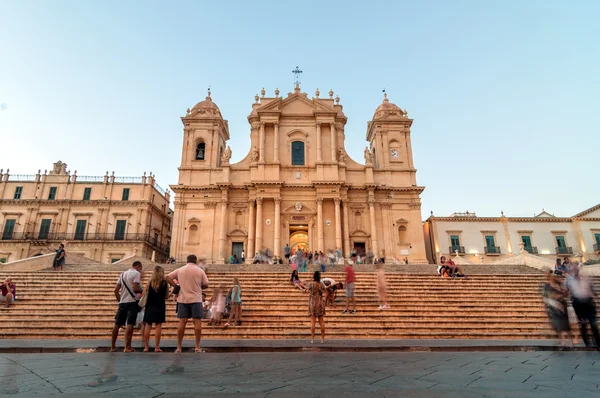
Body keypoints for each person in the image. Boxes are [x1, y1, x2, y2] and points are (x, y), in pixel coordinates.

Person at [166, 254, 209, 353]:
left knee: (182, 322)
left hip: (182, 299)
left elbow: (167, 277)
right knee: (197, 322)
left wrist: (176, 286)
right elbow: (206, 284)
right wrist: (199, 288)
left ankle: (179, 347)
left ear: (187, 260)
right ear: (195, 260)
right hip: (196, 299)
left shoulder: (180, 270)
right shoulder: (200, 270)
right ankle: (197, 347)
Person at [564, 263, 599, 348]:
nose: (575, 269)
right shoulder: (568, 280)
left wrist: (595, 295)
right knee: (583, 323)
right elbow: (565, 292)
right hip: (578, 303)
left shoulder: (586, 278)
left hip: (589, 303)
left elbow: (593, 289)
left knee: (593, 323)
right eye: (572, 268)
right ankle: (587, 341)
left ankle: (598, 344)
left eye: (576, 268)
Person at [111, 261, 143, 352]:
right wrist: (142, 290)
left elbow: (116, 290)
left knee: (117, 324)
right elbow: (135, 288)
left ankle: (112, 347)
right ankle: (127, 347)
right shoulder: (136, 273)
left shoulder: (122, 274)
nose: (141, 271)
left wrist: (120, 301)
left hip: (122, 302)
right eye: (140, 268)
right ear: (138, 266)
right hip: (132, 302)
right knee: (130, 324)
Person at [541, 267, 572, 348]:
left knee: (566, 324)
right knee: (557, 325)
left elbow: (566, 293)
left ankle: (570, 342)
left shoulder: (559, 285)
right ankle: (563, 342)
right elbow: (545, 297)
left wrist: (560, 295)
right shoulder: (546, 285)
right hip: (553, 308)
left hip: (561, 306)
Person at [142, 266, 169, 352]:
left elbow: (143, 294)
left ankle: (146, 347)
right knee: (158, 326)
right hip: (160, 306)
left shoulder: (149, 282)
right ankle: (157, 347)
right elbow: (166, 296)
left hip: (150, 306)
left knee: (148, 325)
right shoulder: (165, 283)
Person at [308, 271, 326, 343]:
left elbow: (307, 289)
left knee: (313, 322)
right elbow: (324, 291)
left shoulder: (311, 284)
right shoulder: (321, 284)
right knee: (321, 321)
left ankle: (312, 339)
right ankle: (323, 339)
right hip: (320, 303)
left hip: (313, 303)